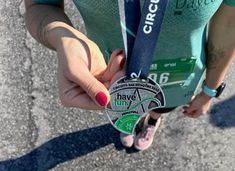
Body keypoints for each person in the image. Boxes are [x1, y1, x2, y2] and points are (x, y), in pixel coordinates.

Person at [24, 1, 235, 151]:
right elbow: (42, 5)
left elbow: (228, 24)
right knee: (125, 107)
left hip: (175, 80)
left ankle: (152, 121)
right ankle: (130, 120)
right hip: (111, 75)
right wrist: (64, 38)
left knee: (160, 107)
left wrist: (210, 89)